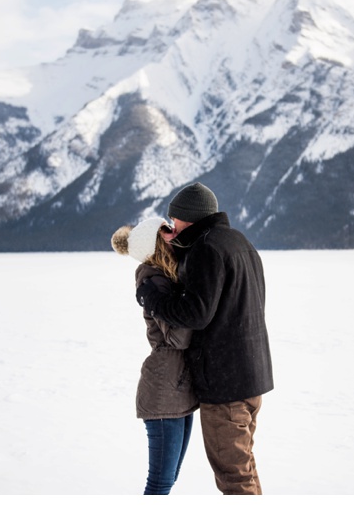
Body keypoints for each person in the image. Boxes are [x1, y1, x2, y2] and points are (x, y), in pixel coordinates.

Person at [136, 182, 274, 495]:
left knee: (234, 476)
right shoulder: (238, 242)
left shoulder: (207, 249)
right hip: (251, 375)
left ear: (187, 218)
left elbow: (194, 314)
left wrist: (151, 297)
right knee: (243, 467)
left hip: (225, 384)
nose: (171, 226)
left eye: (174, 220)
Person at [111, 217, 198, 495]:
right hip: (163, 391)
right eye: (167, 232)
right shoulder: (155, 280)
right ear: (156, 243)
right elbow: (177, 337)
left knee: (169, 480)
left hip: (178, 389)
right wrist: (194, 302)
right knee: (160, 484)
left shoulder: (170, 275)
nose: (174, 235)